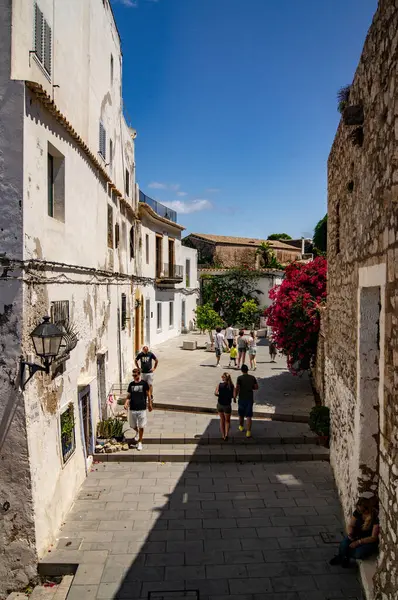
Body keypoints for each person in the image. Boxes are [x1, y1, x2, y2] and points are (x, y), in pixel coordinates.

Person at [330, 498, 379, 568]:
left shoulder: (375, 518)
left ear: (368, 509)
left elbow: (373, 537)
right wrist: (350, 533)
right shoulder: (358, 513)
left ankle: (345, 556)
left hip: (368, 541)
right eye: (359, 510)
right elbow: (351, 525)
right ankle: (342, 557)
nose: (361, 512)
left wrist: (358, 542)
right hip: (356, 535)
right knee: (344, 544)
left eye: (363, 511)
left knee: (358, 553)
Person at [123, 367, 152, 451]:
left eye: (135, 375)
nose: (134, 376)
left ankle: (140, 442)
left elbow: (148, 394)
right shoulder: (131, 384)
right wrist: (126, 402)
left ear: (139, 374)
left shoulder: (144, 384)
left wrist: (150, 404)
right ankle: (137, 432)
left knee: (141, 426)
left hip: (142, 408)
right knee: (132, 425)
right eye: (133, 375)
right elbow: (129, 396)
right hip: (132, 408)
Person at [234, 364, 258, 438]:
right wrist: (251, 388)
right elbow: (256, 387)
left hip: (241, 398)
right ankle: (248, 432)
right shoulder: (252, 378)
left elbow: (237, 388)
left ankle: (241, 426)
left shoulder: (239, 378)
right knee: (249, 416)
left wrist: (235, 396)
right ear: (247, 370)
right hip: (249, 398)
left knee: (241, 414)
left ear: (241, 370)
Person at [214, 373, 234, 441]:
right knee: (227, 421)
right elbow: (234, 396)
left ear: (224, 378)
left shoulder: (219, 385)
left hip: (220, 404)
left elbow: (216, 393)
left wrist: (221, 395)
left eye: (222, 376)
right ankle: (226, 434)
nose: (221, 377)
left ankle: (223, 435)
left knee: (222, 420)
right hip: (227, 405)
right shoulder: (231, 386)